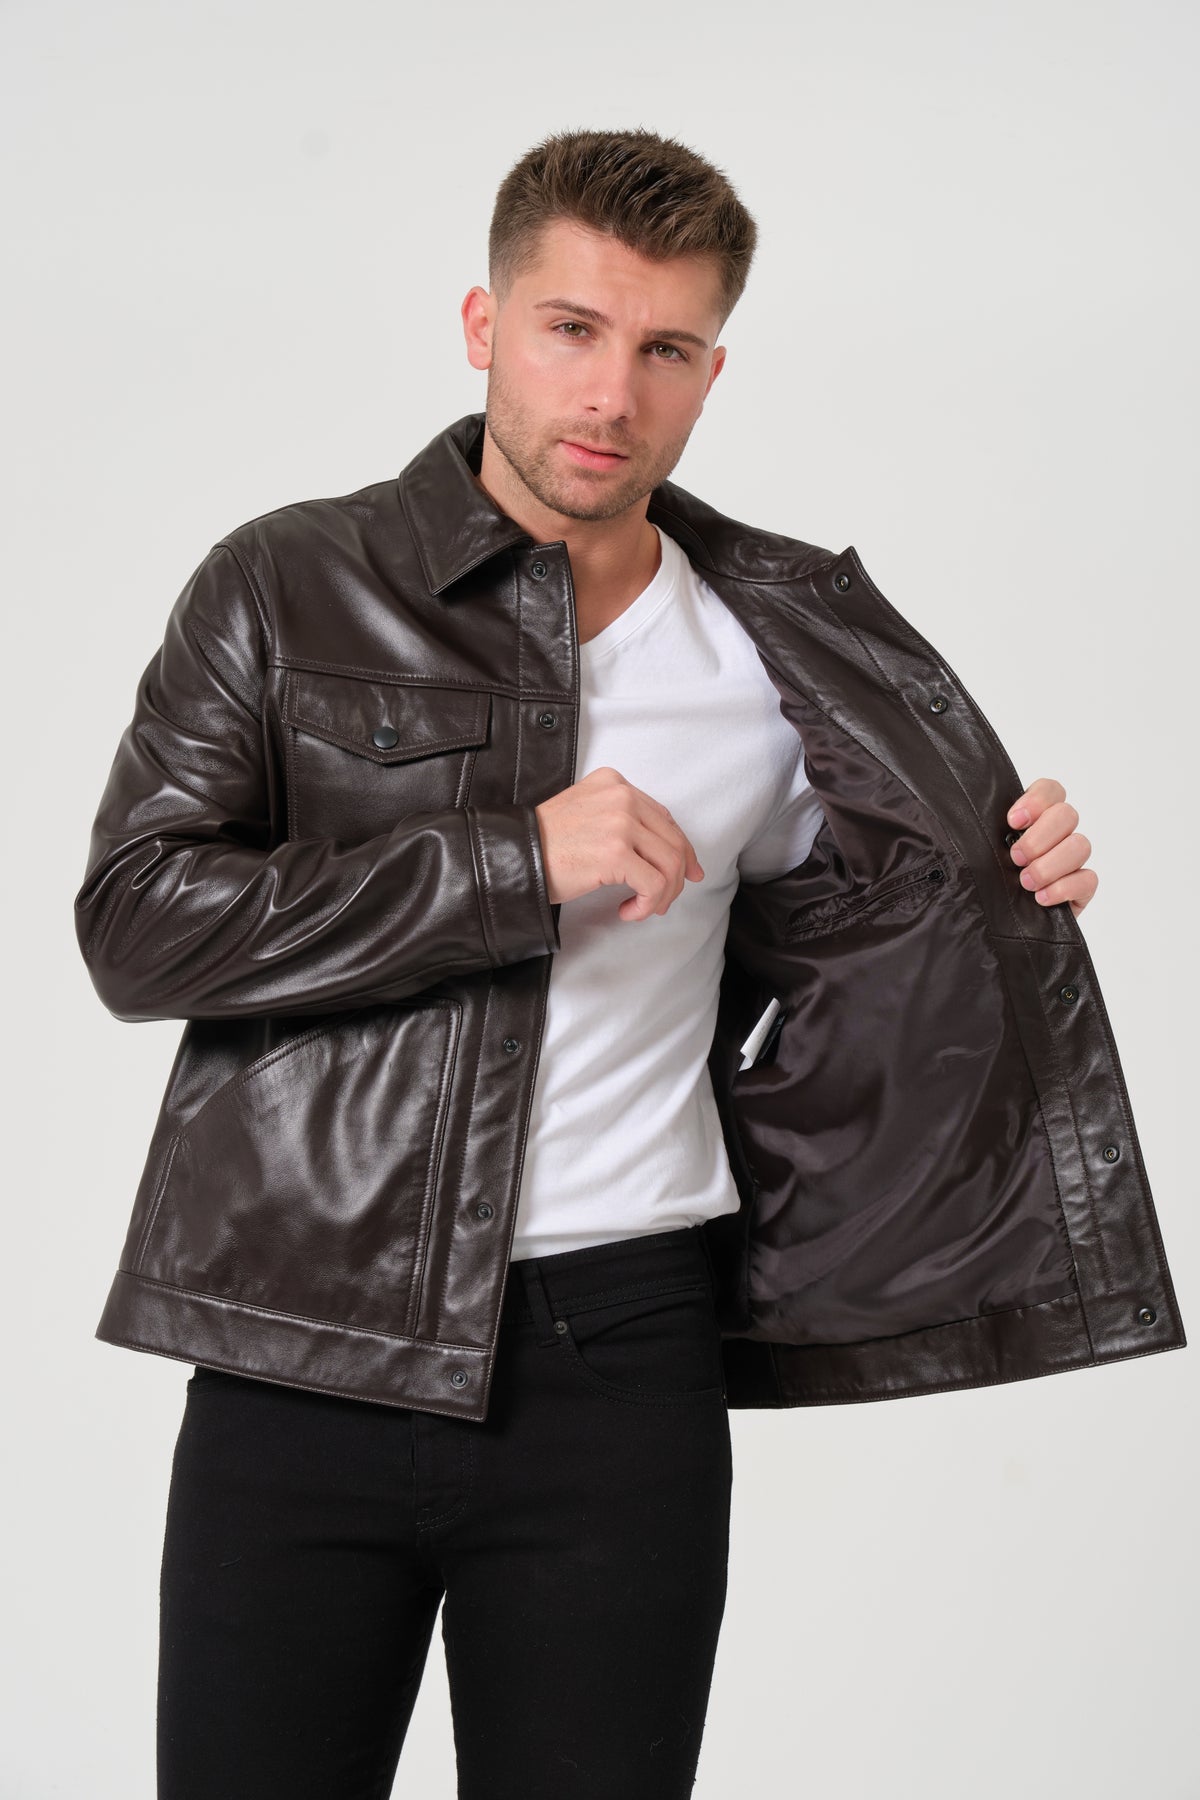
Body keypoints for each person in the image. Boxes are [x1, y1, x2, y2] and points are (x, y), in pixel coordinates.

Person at [74, 128, 1183, 1800]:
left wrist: (1004, 881)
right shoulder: (289, 584)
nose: (611, 393)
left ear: (713, 372)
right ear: (483, 324)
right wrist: (514, 861)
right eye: (572, 329)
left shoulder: (780, 647)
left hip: (623, 1356)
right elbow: (139, 919)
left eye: (666, 348)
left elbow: (870, 950)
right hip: (302, 1345)